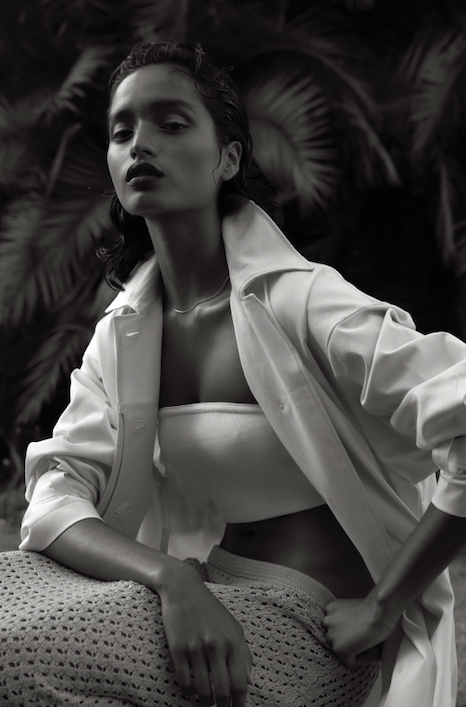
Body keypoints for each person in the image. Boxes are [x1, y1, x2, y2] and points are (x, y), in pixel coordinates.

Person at [0, 40, 465, 707]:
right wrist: (173, 579)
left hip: (311, 626)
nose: (140, 144)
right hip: (212, 590)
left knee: (16, 654)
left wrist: (384, 606)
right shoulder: (126, 331)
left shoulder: (301, 301)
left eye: (171, 123)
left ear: (228, 158)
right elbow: (56, 493)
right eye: (122, 132)